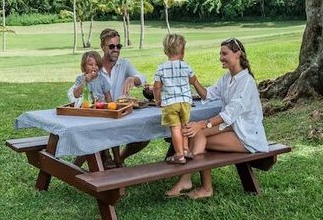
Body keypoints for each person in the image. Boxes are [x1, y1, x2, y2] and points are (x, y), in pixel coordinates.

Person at [165, 37, 268, 199]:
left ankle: (193, 183)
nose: (221, 57)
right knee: (195, 133)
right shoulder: (227, 78)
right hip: (232, 128)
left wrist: (202, 124)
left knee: (199, 137)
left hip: (247, 135)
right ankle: (191, 182)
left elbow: (229, 114)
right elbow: (208, 94)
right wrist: (194, 81)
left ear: (238, 54)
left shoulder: (246, 82)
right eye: (220, 54)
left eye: (224, 54)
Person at [66, 28, 149, 167]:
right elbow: (73, 93)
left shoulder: (124, 64)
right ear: (103, 47)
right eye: (111, 46)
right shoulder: (94, 67)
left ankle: (119, 159)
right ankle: (80, 167)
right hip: (99, 115)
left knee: (144, 135)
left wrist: (133, 79)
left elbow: (142, 77)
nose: (115, 49)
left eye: (118, 46)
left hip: (118, 114)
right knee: (95, 137)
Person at [153, 33, 207, 165]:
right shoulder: (186, 66)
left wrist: (157, 99)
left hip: (170, 103)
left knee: (175, 128)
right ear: (183, 51)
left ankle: (179, 155)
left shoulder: (161, 68)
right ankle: (186, 149)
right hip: (186, 102)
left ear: (165, 51)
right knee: (185, 125)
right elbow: (193, 80)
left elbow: (156, 87)